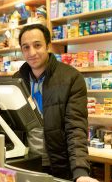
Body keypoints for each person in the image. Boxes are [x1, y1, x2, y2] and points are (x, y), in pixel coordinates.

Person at [13, 24, 98, 182]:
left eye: (37, 45)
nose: (31, 52)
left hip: (58, 167)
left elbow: (75, 128)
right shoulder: (16, 80)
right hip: (24, 164)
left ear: (48, 46)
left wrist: (80, 173)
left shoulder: (71, 78)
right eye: (26, 47)